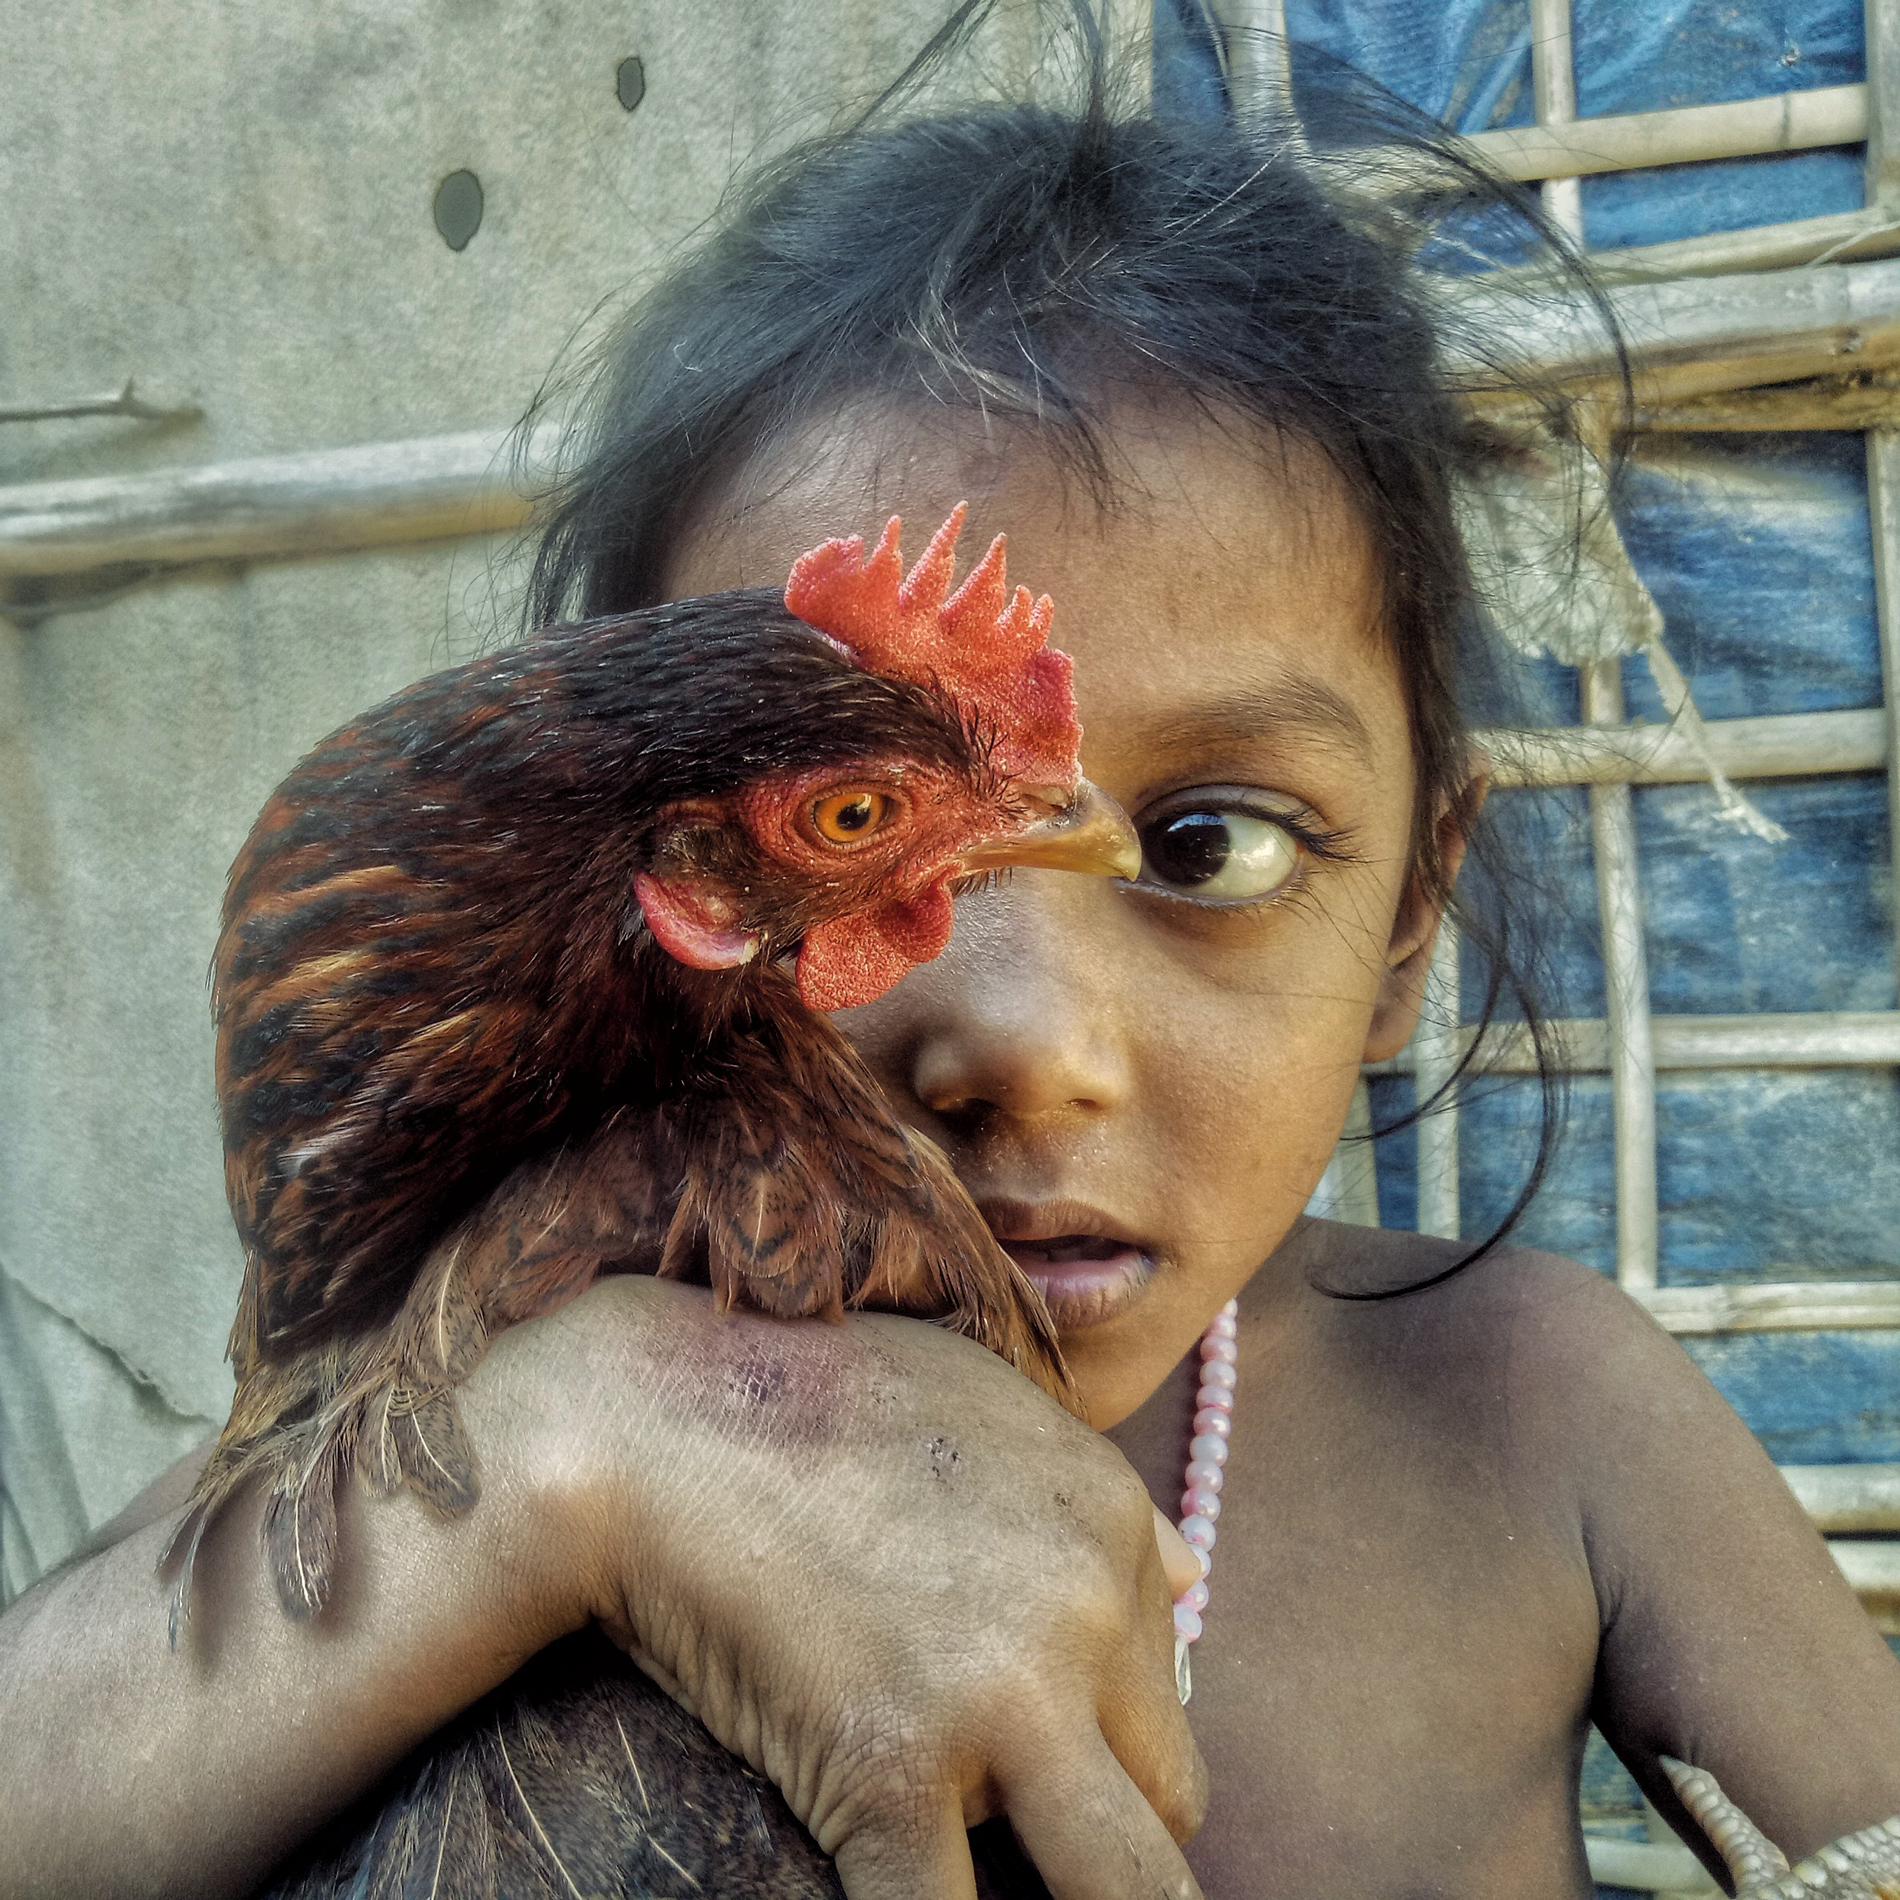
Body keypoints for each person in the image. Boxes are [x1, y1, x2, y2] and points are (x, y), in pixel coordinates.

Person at [4, 18, 1899, 1898]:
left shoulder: (1526, 1409)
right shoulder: (451, 1402)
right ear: (630, 876)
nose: (1030, 1042)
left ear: (1409, 921)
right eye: (839, 834)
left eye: (1208, 845)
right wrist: (569, 1454)